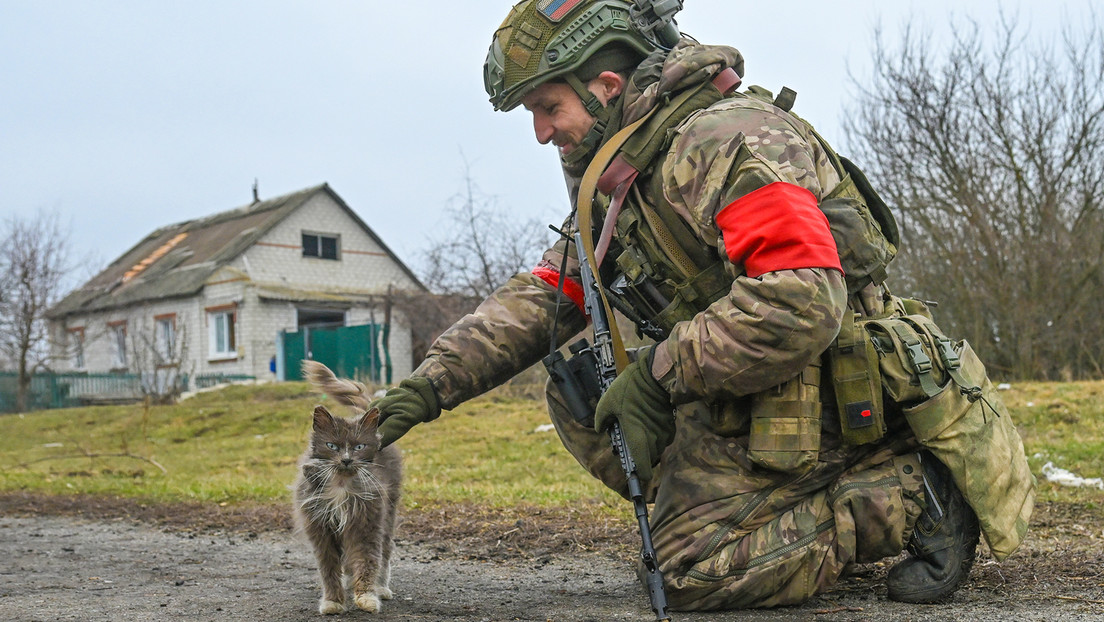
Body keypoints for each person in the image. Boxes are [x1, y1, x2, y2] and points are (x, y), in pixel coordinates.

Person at [370, 0, 1034, 610]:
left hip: (843, 389)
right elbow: (551, 293)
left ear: (604, 86)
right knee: (578, 387)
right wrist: (429, 387)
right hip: (761, 380)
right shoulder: (625, 169)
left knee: (691, 571)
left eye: (547, 108)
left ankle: (912, 495)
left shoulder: (729, 139)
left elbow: (802, 300)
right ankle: (744, 511)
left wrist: (659, 376)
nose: (542, 132)